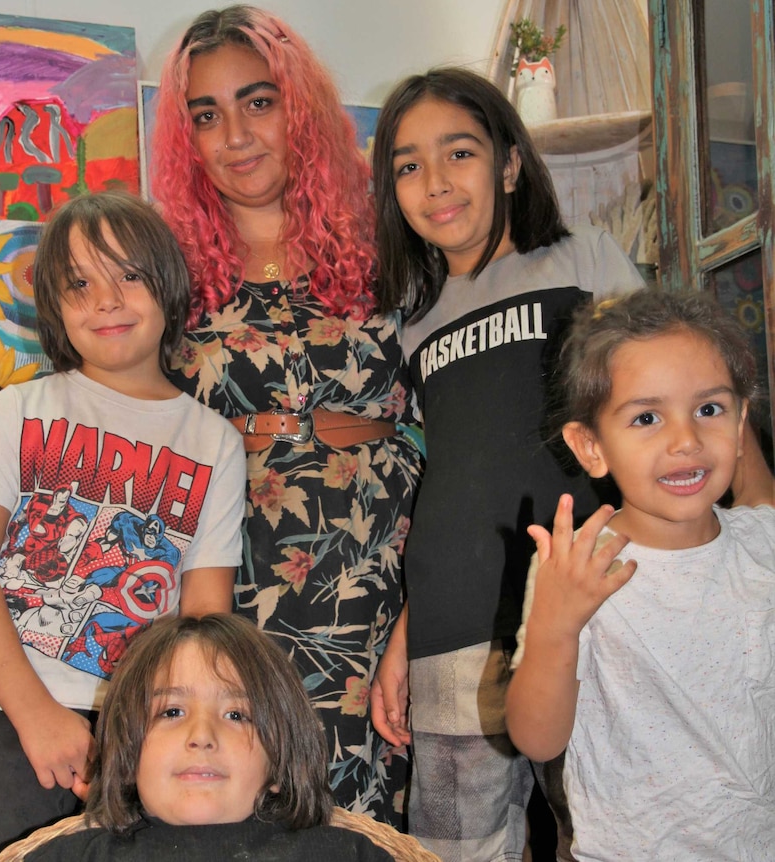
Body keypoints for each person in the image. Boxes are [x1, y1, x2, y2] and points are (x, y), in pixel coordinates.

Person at [0, 192, 247, 861]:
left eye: (129, 275)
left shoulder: (215, 443)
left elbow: (205, 615)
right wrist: (36, 714)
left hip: (140, 731)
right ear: (57, 309)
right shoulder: (19, 409)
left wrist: (177, 728)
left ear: (170, 285)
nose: (106, 300)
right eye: (79, 283)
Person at [368, 67, 644, 861]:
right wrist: (402, 638)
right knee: (459, 849)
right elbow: (452, 480)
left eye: (459, 153)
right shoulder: (410, 323)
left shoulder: (584, 260)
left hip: (593, 608)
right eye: (409, 166)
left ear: (510, 163)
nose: (435, 183)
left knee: (613, 833)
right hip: (451, 629)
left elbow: (663, 398)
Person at [155, 6, 422, 823]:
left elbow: (449, 427)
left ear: (299, 107)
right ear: (186, 138)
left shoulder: (395, 242)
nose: (235, 135)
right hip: (229, 577)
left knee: (358, 811)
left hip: (374, 574)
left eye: (258, 101)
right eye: (207, 114)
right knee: (240, 799)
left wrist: (419, 609)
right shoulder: (165, 274)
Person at [506, 290, 775, 861]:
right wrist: (556, 625)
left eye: (709, 409)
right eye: (647, 417)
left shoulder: (764, 543)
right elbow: (535, 737)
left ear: (741, 420)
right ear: (591, 446)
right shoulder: (578, 565)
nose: (686, 439)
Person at [19, 614, 396, 860]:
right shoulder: (69, 858)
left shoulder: (346, 855)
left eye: (236, 715)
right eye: (171, 712)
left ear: (280, 762)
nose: (201, 736)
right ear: (127, 753)